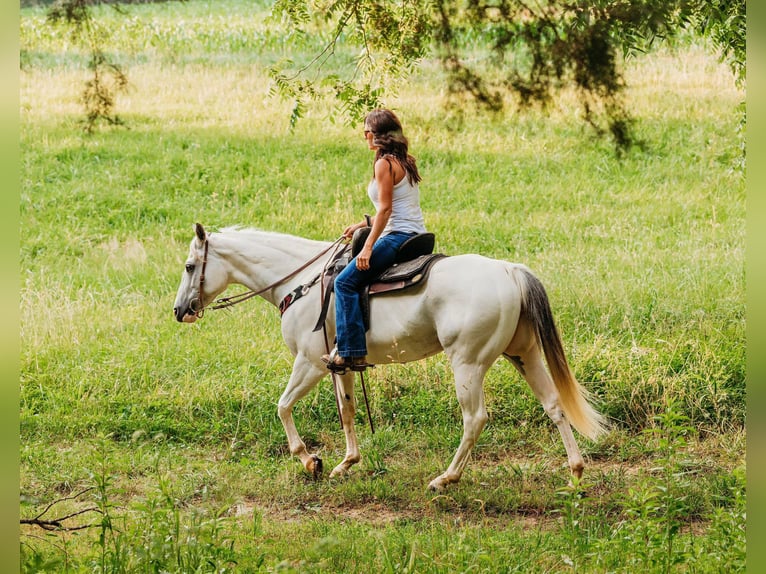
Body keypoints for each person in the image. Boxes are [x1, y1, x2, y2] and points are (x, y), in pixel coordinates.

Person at [322, 108, 427, 372]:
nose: (364, 135)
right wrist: (362, 224)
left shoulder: (384, 164)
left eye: (366, 130)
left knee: (344, 282)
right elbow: (397, 207)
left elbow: (387, 210)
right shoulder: (404, 161)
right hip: (414, 232)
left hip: (397, 236)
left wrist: (367, 246)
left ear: (377, 134)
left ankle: (350, 352)